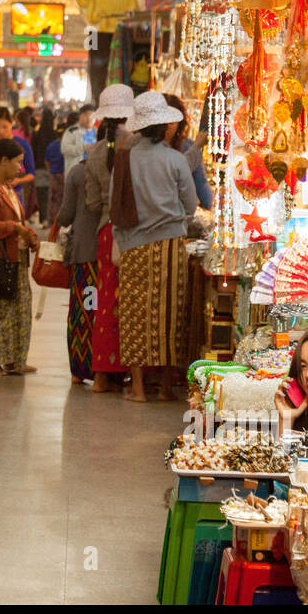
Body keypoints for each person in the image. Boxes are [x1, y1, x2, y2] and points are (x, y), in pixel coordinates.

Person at [111, 93, 198, 403]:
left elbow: (115, 204)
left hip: (134, 246)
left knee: (135, 315)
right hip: (171, 245)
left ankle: (136, 389)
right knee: (169, 314)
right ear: (164, 127)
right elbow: (190, 204)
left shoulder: (125, 159)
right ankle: (164, 387)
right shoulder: (175, 160)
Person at [82, 84, 134, 393]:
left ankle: (102, 373)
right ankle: (126, 369)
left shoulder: (93, 152)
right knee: (129, 303)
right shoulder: (135, 147)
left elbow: (90, 203)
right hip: (129, 234)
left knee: (104, 304)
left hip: (104, 233)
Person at [0, 139, 40, 377]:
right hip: (1, 258)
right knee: (1, 311)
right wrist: (15, 228)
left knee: (19, 310)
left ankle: (14, 359)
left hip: (17, 256)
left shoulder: (7, 188)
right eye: (17, 163)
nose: (20, 168)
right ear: (3, 160)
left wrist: (28, 235)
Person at [56, 156, 98, 385]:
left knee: (83, 311)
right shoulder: (121, 166)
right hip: (111, 255)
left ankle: (80, 369)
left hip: (84, 255)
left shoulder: (77, 172)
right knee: (103, 310)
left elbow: (65, 215)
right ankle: (105, 369)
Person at [0, 106, 36, 215]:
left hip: (14, 193)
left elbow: (31, 173)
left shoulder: (22, 145)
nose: (1, 131)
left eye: (5, 127)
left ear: (12, 124)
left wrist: (18, 181)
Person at [162, 93, 213, 210]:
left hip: (182, 216)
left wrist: (212, 207)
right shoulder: (150, 147)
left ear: (180, 123)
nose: (166, 127)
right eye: (163, 122)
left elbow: (201, 182)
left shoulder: (187, 145)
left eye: (171, 122)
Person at [32, 107, 56, 226]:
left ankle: (44, 219)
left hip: (40, 167)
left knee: (41, 194)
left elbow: (34, 151)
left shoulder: (37, 133)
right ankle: (50, 218)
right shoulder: (55, 134)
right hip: (53, 168)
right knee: (51, 195)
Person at [61, 104, 95, 168]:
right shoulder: (72, 131)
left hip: (93, 170)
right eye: (86, 115)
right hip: (76, 170)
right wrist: (83, 148)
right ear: (80, 116)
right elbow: (64, 149)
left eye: (92, 115)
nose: (89, 118)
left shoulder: (97, 131)